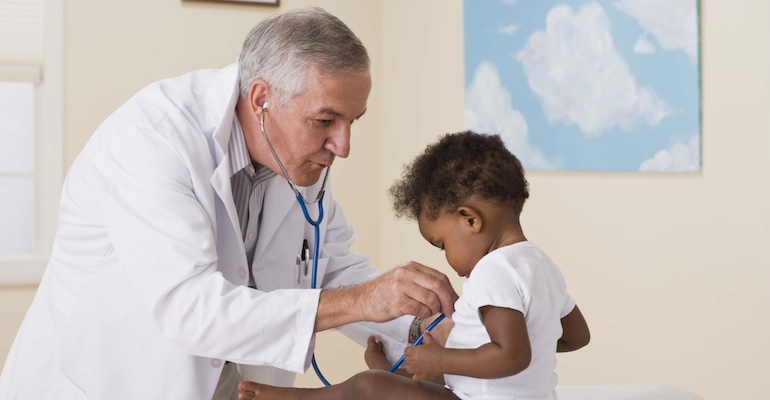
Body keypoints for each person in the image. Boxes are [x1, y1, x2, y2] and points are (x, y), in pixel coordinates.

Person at [0, 7, 457, 400]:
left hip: (229, 381)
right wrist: (363, 300)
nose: (343, 145)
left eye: (352, 120)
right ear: (261, 99)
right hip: (111, 382)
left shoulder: (300, 159)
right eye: (325, 120)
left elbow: (326, 267)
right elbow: (192, 308)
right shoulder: (152, 140)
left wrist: (420, 328)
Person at [238, 131, 591, 400]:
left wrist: (441, 360)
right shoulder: (540, 264)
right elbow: (576, 335)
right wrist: (527, 342)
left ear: (469, 219)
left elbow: (512, 355)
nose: (449, 262)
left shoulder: (493, 271)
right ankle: (387, 372)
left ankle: (293, 397)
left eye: (442, 244)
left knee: (368, 386)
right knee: (405, 377)